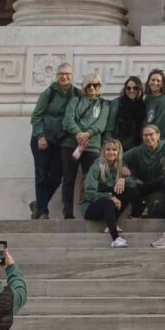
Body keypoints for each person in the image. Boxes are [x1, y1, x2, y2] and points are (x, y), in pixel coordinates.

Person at [61, 76, 110, 219]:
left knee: (90, 179)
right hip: (71, 144)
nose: (92, 88)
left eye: (96, 85)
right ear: (84, 87)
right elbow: (68, 119)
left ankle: (88, 209)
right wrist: (79, 134)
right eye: (89, 86)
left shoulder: (104, 104)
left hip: (92, 146)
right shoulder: (75, 101)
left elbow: (101, 124)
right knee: (69, 178)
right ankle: (68, 212)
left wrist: (87, 134)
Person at [28, 64, 74, 218]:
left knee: (56, 176)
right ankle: (43, 211)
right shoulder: (49, 93)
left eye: (67, 74)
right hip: (41, 139)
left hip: (59, 141)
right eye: (61, 73)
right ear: (57, 75)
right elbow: (36, 116)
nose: (64, 76)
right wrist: (41, 136)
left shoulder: (76, 94)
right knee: (41, 174)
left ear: (72, 75)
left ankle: (38, 204)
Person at [82, 136, 137, 245]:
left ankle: (112, 222)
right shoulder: (96, 167)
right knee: (109, 203)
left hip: (109, 204)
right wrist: (109, 196)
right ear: (103, 151)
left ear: (119, 152)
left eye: (114, 149)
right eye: (108, 149)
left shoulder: (121, 166)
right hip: (91, 206)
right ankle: (115, 239)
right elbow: (88, 193)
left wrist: (124, 179)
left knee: (131, 190)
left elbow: (133, 184)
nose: (111, 152)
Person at [123, 120, 165, 217]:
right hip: (144, 184)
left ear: (158, 135)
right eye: (145, 135)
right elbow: (119, 159)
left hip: (161, 185)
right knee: (130, 185)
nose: (148, 137)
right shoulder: (137, 150)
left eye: (151, 134)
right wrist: (123, 166)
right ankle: (137, 211)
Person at [110, 73, 148, 154]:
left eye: (135, 88)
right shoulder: (118, 103)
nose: (131, 90)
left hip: (137, 147)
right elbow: (110, 126)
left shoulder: (142, 105)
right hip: (119, 147)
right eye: (128, 88)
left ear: (140, 89)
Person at [141, 67, 165, 140]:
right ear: (149, 82)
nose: (155, 83)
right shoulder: (147, 98)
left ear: (162, 84)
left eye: (158, 81)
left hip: (157, 141)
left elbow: (163, 125)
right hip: (146, 139)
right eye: (153, 80)